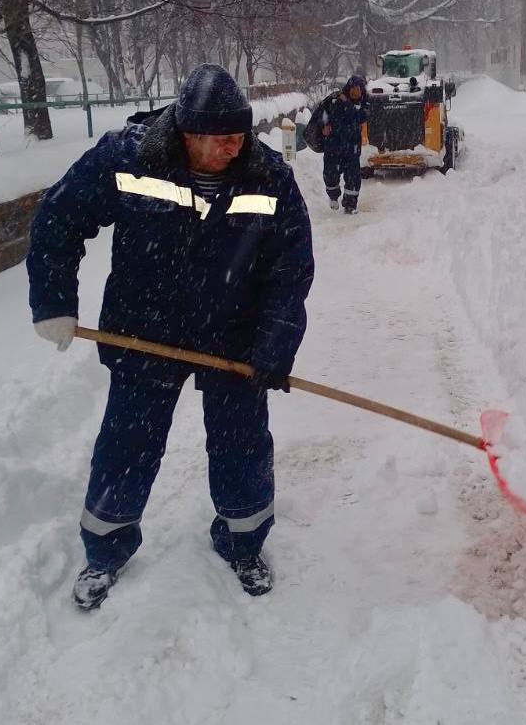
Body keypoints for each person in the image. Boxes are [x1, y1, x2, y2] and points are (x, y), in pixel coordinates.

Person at [26, 64, 314, 609]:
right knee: (126, 446)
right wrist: (53, 303)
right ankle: (104, 552)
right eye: (222, 139)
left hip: (233, 340)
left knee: (242, 447)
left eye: (241, 136)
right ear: (187, 133)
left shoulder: (268, 175)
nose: (235, 148)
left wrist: (274, 347)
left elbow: (290, 270)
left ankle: (243, 541)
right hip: (144, 334)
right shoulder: (129, 156)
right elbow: (57, 219)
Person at [319, 74, 368, 214]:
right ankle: (333, 197)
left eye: (358, 88)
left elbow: (358, 117)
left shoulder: (364, 104)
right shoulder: (335, 100)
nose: (355, 91)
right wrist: (324, 124)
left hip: (352, 147)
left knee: (353, 177)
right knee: (330, 175)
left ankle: (350, 205)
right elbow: (322, 112)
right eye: (353, 88)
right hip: (333, 145)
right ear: (348, 87)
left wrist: (346, 102)